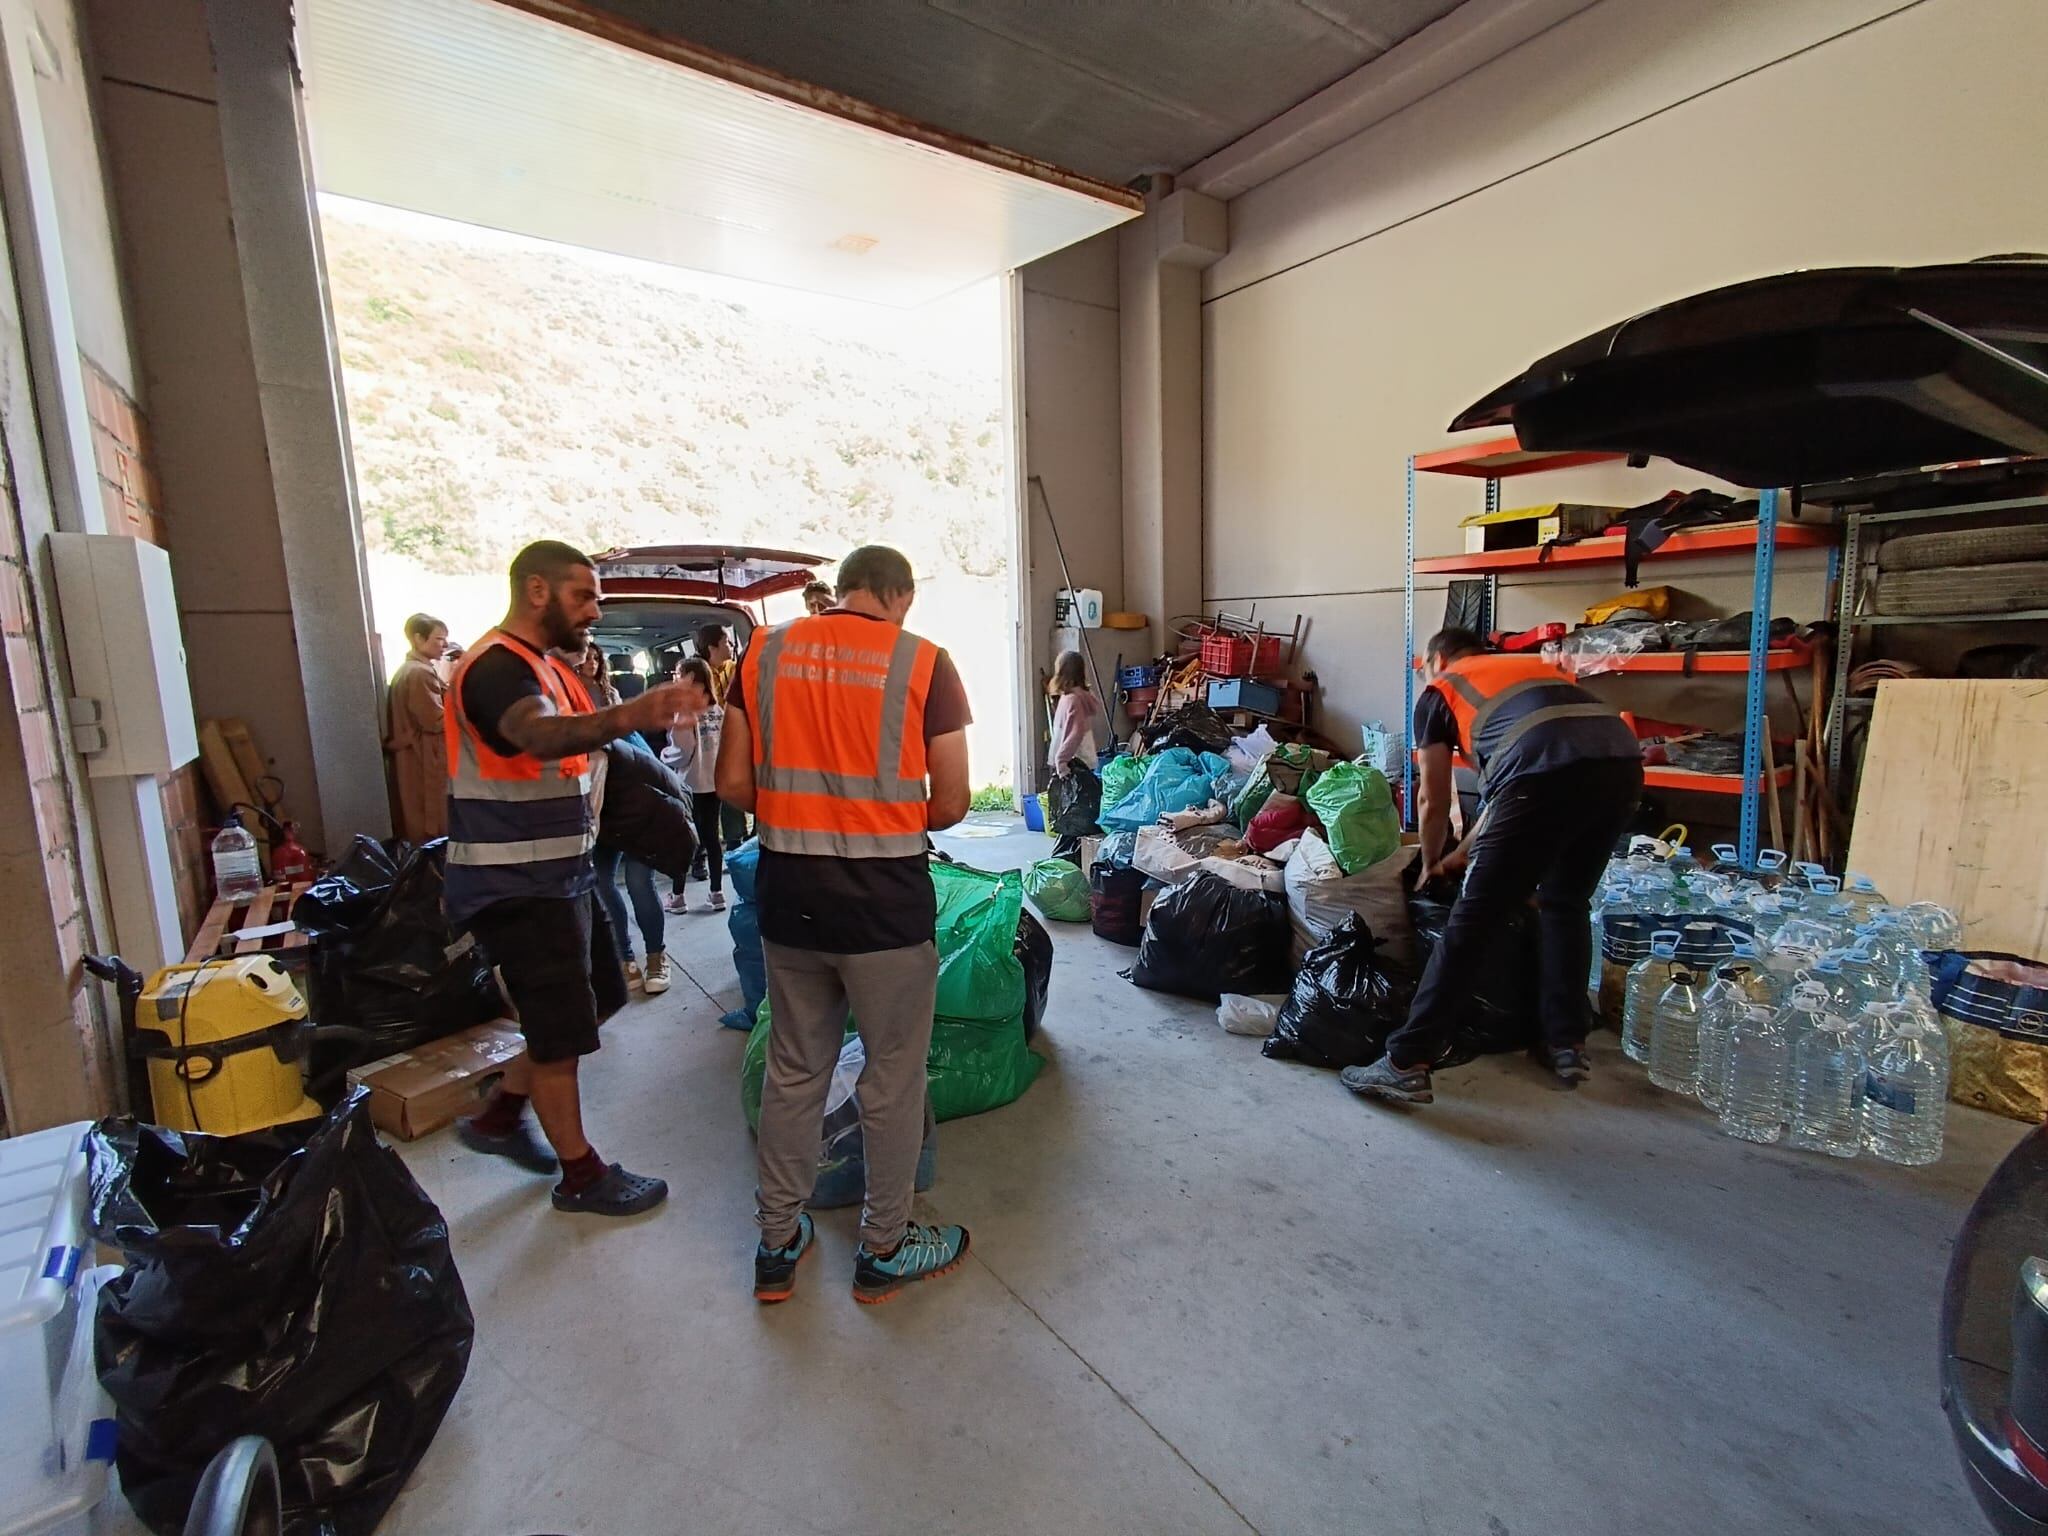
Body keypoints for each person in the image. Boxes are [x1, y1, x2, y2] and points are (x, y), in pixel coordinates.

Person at [718, 544, 974, 1304]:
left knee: (796, 1071)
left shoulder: (762, 651)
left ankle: (776, 1245)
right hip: (886, 906)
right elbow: (954, 802)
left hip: (792, 894)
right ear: (899, 596)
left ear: (846, 591)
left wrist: (810, 818)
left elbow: (734, 782)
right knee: (892, 1081)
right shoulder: (924, 662)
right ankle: (885, 1248)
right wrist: (880, 820)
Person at [446, 539, 696, 1217]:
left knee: (601, 998)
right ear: (537, 591)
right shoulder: (496, 669)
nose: (595, 609)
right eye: (584, 595)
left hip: (562, 875)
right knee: (560, 1033)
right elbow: (541, 738)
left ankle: (500, 1116)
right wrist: (631, 714)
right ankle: (582, 1175)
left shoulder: (544, 666)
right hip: (517, 885)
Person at [1343, 628, 1644, 1105]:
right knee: (1565, 903)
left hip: (1541, 772)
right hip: (1622, 764)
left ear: (1438, 658)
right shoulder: (1529, 671)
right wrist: (1460, 857)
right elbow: (1505, 802)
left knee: (1473, 920)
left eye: (1424, 665)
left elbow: (1432, 796)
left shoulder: (1441, 690)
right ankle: (1565, 1041)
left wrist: (1430, 861)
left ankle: (1407, 1060)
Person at [662, 657, 730, 913]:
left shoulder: (685, 713)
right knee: (712, 838)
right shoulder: (717, 711)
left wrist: (664, 757)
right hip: (713, 782)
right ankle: (717, 892)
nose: (674, 678)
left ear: (689, 679)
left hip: (689, 784)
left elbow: (683, 751)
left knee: (684, 839)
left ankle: (678, 897)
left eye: (678, 674)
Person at [386, 613, 450, 845]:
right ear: (417, 639)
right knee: (431, 823)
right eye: (438, 639)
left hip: (416, 755)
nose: (444, 646)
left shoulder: (410, 669)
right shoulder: (419, 673)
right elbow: (434, 720)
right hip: (425, 758)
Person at [1045, 648, 1107, 862]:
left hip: (1073, 760)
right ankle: (1075, 853)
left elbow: (1075, 732)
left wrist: (1061, 761)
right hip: (1080, 759)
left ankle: (1072, 858)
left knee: (1073, 811)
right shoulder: (1075, 697)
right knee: (1078, 808)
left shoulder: (1072, 700)